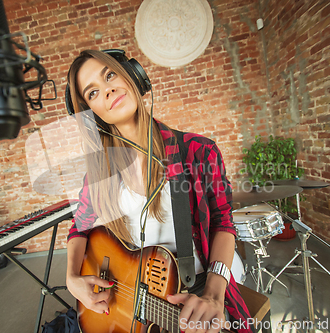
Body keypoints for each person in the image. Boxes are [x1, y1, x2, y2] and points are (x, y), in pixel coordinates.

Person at [65, 49, 253, 333]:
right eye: (92, 93)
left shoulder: (198, 151)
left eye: (110, 75)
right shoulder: (98, 175)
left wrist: (214, 295)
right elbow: (78, 229)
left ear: (133, 76)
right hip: (130, 298)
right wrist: (70, 278)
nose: (108, 91)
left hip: (198, 287)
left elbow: (222, 222)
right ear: (92, 114)